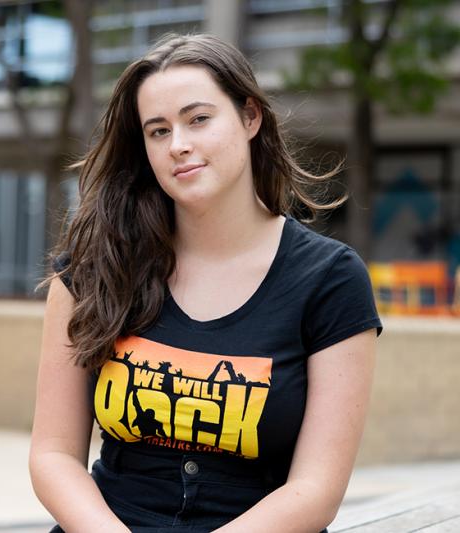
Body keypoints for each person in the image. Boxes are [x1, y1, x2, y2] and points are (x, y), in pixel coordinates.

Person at [29, 33, 382, 533]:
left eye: (198, 119)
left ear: (250, 117)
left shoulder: (329, 279)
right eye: (157, 131)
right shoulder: (93, 268)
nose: (178, 145)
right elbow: (52, 455)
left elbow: (316, 490)